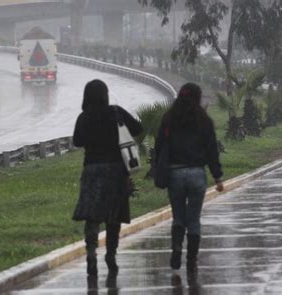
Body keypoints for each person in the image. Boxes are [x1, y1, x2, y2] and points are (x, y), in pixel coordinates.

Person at [72, 79, 143, 277]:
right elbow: (137, 128)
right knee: (114, 215)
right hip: (116, 170)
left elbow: (77, 141)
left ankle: (91, 252)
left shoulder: (84, 117)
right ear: (105, 94)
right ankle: (111, 254)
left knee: (92, 215)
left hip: (92, 170)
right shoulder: (116, 112)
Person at [154, 83, 224, 273]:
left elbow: (159, 146)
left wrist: (157, 170)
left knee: (178, 217)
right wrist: (217, 177)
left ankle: (176, 247)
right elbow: (211, 151)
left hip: (174, 174)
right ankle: (191, 260)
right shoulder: (204, 120)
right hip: (196, 175)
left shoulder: (168, 119)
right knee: (193, 219)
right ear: (197, 97)